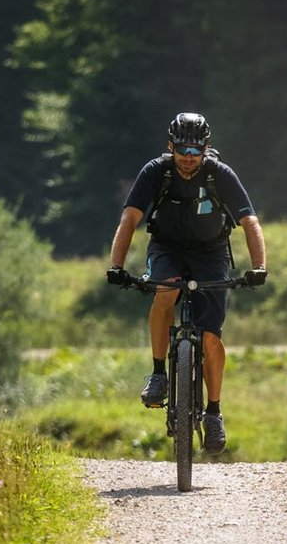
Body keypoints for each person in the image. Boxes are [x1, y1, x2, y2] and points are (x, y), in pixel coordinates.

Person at [105, 112, 267, 453]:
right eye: (182, 148)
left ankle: (214, 412)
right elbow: (130, 217)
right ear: (171, 146)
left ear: (206, 148)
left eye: (196, 149)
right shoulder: (156, 172)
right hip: (167, 247)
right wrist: (116, 265)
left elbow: (249, 222)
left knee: (210, 337)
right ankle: (159, 373)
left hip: (211, 253)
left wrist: (258, 267)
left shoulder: (219, 175)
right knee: (166, 288)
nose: (189, 156)